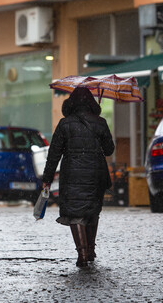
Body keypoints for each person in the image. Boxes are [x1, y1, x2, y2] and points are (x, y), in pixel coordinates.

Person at [42, 87, 114, 267]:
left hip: (72, 173)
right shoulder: (100, 123)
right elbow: (109, 150)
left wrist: (47, 178)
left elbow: (54, 154)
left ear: (71, 103)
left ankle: (82, 253)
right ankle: (90, 249)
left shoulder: (64, 124)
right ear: (91, 103)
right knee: (92, 211)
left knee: (76, 213)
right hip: (95, 174)